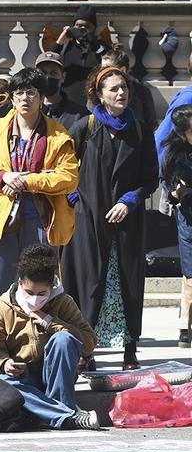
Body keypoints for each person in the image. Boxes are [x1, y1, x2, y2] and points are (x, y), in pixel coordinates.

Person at [0, 67, 80, 341]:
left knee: (43, 290)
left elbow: (68, 178)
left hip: (42, 219)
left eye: (31, 92)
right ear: (12, 98)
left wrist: (28, 181)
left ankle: (40, 350)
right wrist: (4, 176)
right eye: (19, 93)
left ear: (41, 97)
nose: (25, 98)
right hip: (1, 221)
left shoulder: (57, 134)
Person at [61, 66, 158, 371]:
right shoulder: (84, 128)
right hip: (89, 221)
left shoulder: (139, 130)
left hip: (127, 223)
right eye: (113, 89)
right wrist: (75, 200)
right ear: (98, 95)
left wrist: (130, 200)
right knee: (87, 285)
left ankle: (130, 352)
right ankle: (85, 352)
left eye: (124, 88)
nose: (121, 93)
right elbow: (63, 170)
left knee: (127, 285)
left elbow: (150, 177)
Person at [0, 244, 100, 430]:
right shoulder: (1, 308)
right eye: (29, 293)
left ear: (52, 286)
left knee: (64, 339)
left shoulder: (63, 302)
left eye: (42, 294)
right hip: (23, 379)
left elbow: (89, 343)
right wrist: (4, 363)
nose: (35, 299)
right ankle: (66, 415)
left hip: (56, 378)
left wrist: (50, 322)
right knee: (0, 382)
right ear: (20, 282)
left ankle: (56, 412)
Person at [159, 104, 192, 347]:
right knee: (190, 274)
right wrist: (176, 193)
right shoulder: (173, 154)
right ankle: (185, 325)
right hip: (188, 217)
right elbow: (169, 187)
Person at [55, 5, 109, 105]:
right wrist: (60, 42)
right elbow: (49, 62)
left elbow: (111, 63)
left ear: (94, 29)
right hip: (68, 105)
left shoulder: (100, 47)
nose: (82, 30)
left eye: (87, 27)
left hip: (93, 105)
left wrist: (95, 44)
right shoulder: (66, 47)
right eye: (78, 26)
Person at [100, 44, 159, 132]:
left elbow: (151, 124)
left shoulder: (141, 91)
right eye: (101, 69)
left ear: (123, 70)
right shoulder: (98, 90)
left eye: (107, 70)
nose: (102, 73)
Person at [35, 51, 88, 132]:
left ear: (63, 77)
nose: (48, 77)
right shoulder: (28, 111)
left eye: (53, 73)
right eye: (43, 73)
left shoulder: (79, 115)